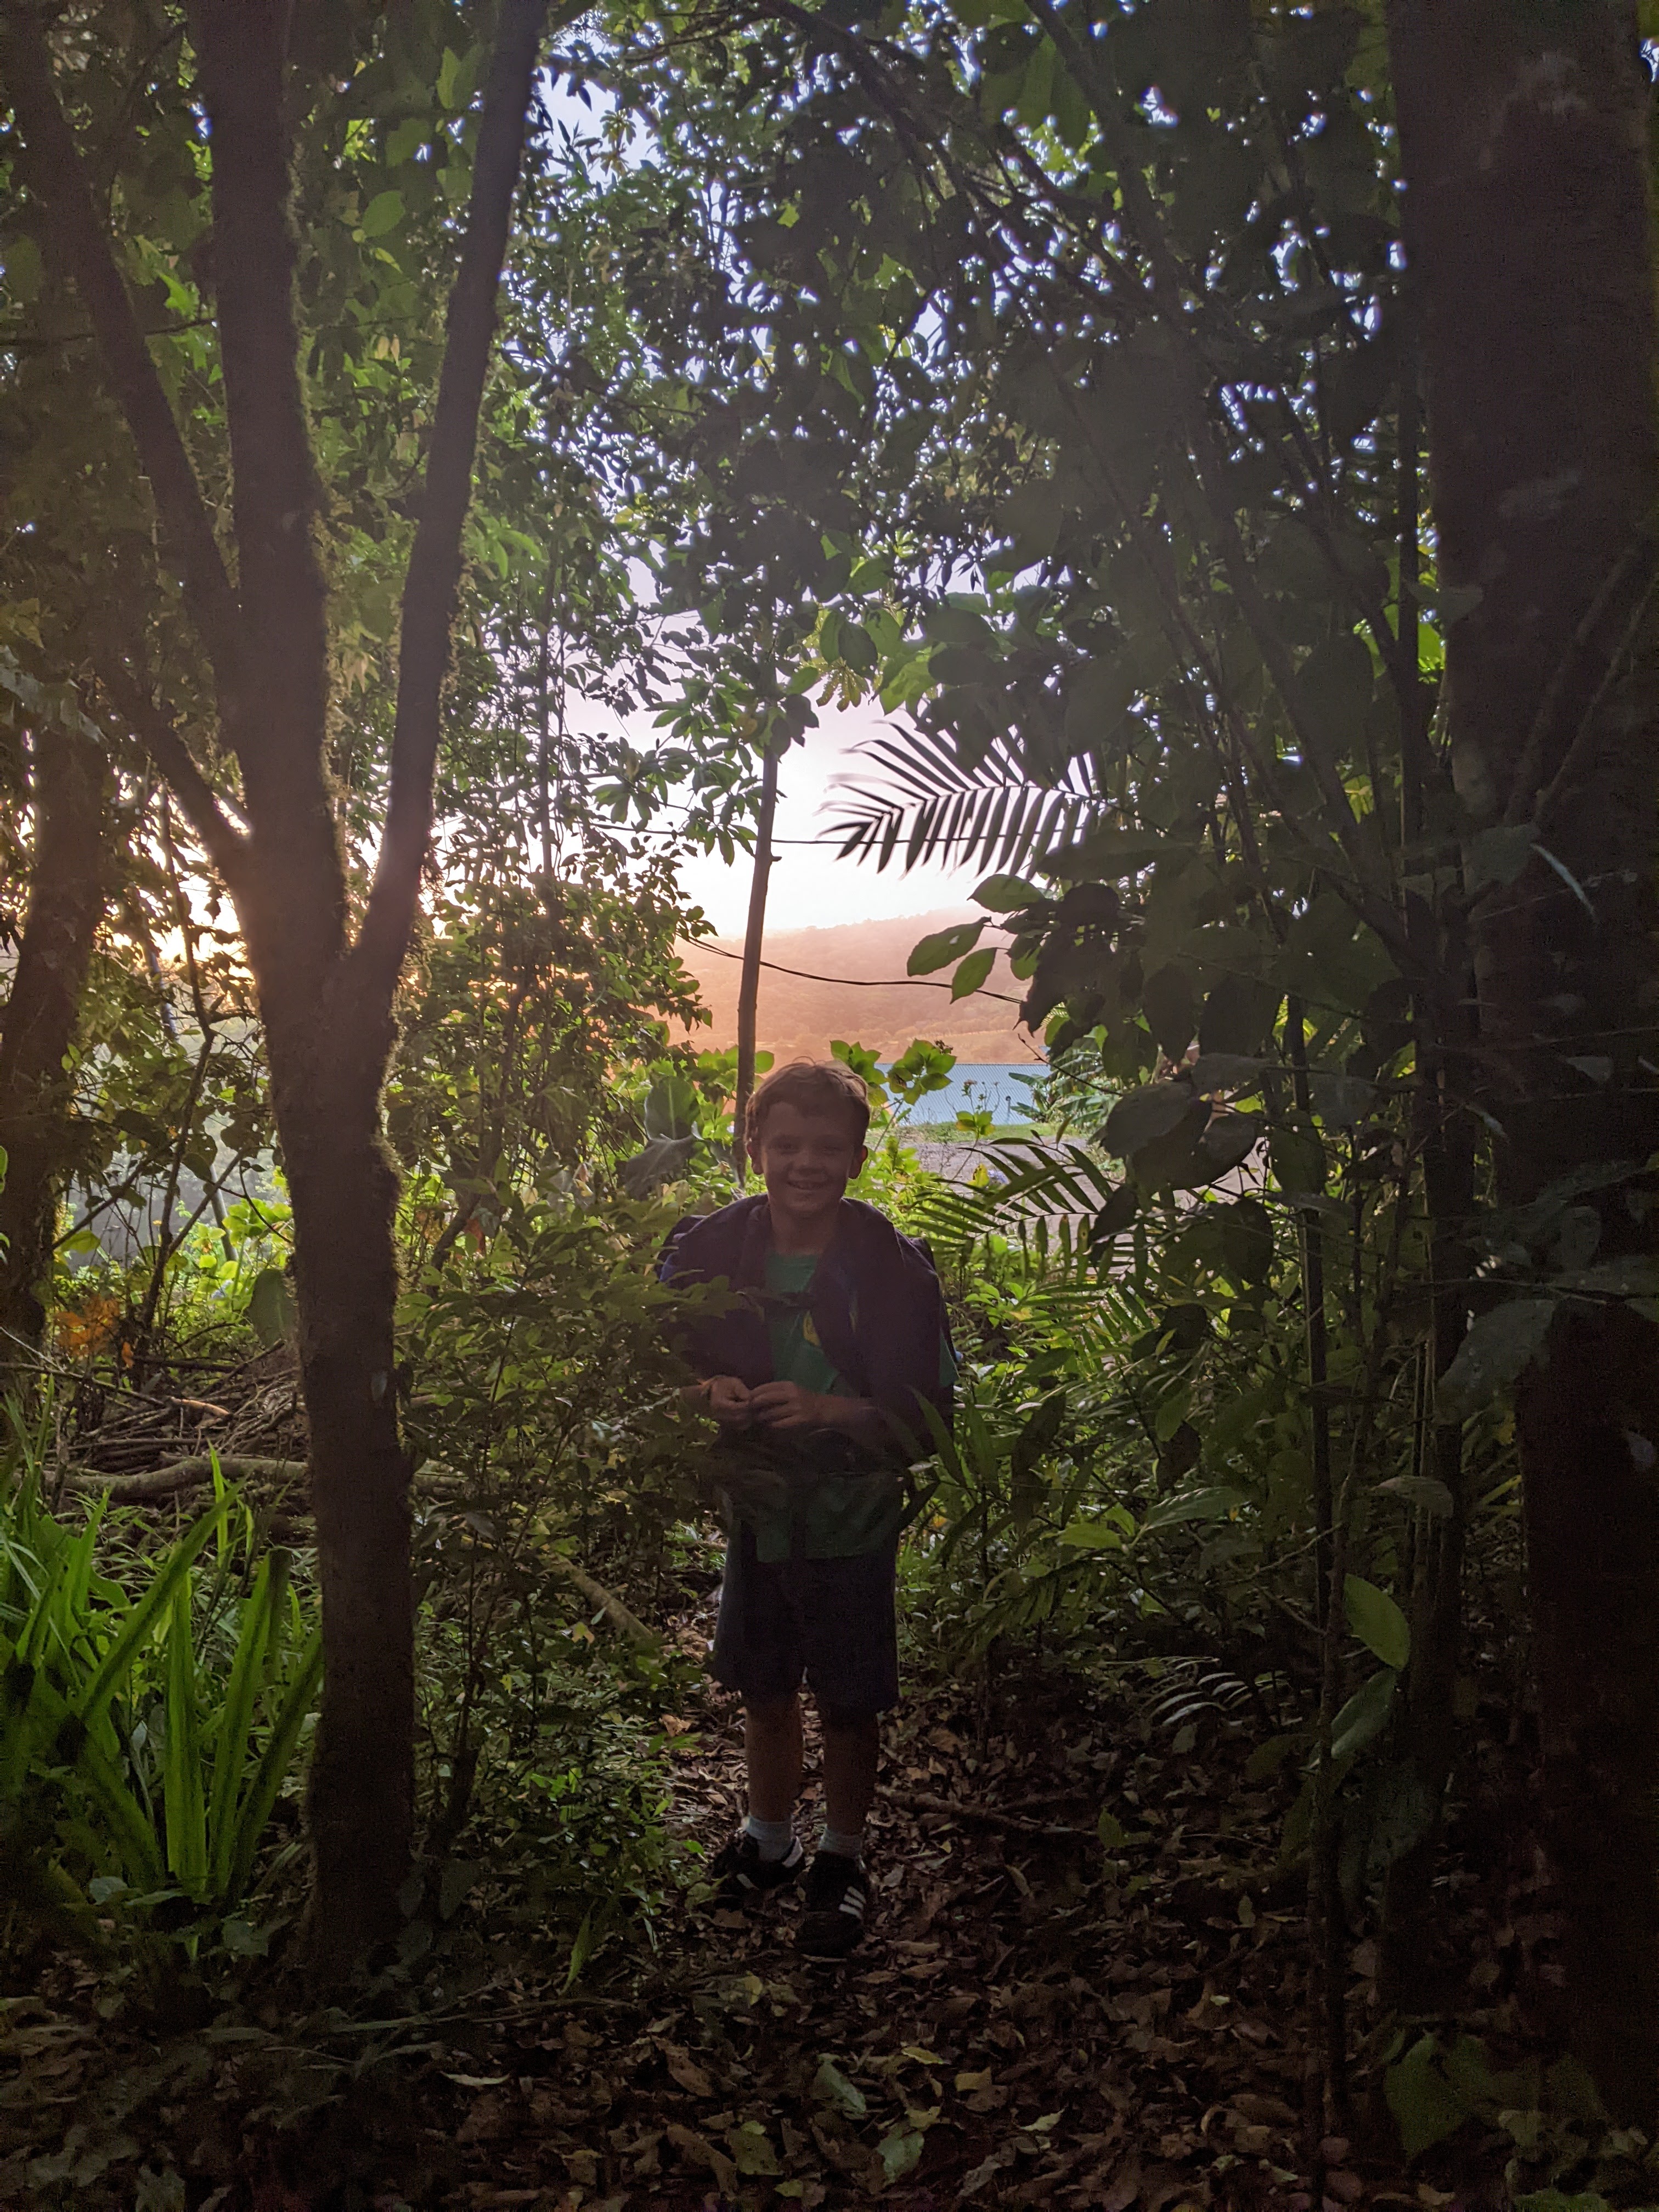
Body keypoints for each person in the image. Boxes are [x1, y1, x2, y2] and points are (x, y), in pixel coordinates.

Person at [658, 1058, 955, 1958]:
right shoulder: (712, 1248)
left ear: (858, 1159)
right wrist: (704, 1392)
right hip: (759, 1508)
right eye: (786, 1144)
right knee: (764, 1684)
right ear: (754, 1148)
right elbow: (655, 1357)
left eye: (828, 1148)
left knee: (850, 1696)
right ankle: (770, 1838)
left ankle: (843, 1855)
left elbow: (930, 1413)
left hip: (850, 1513)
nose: (805, 1164)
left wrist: (829, 1410)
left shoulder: (889, 1266)